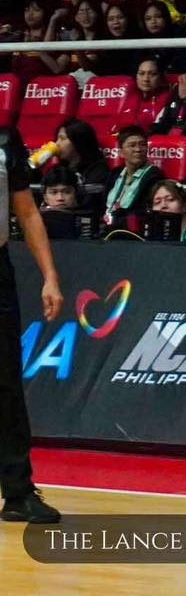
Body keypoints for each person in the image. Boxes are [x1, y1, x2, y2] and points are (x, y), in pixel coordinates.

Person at [0, 127, 64, 524]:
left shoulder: (5, 143)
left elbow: (26, 213)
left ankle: (18, 492)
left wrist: (50, 277)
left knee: (6, 384)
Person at [103, 125, 163, 229]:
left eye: (142, 144)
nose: (138, 149)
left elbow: (143, 213)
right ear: (121, 152)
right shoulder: (115, 173)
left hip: (132, 231)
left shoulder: (154, 176)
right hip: (107, 228)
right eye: (132, 145)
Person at [53, 119, 109, 210]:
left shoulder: (98, 171)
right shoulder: (58, 169)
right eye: (57, 139)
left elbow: (89, 203)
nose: (57, 144)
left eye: (62, 139)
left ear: (78, 142)